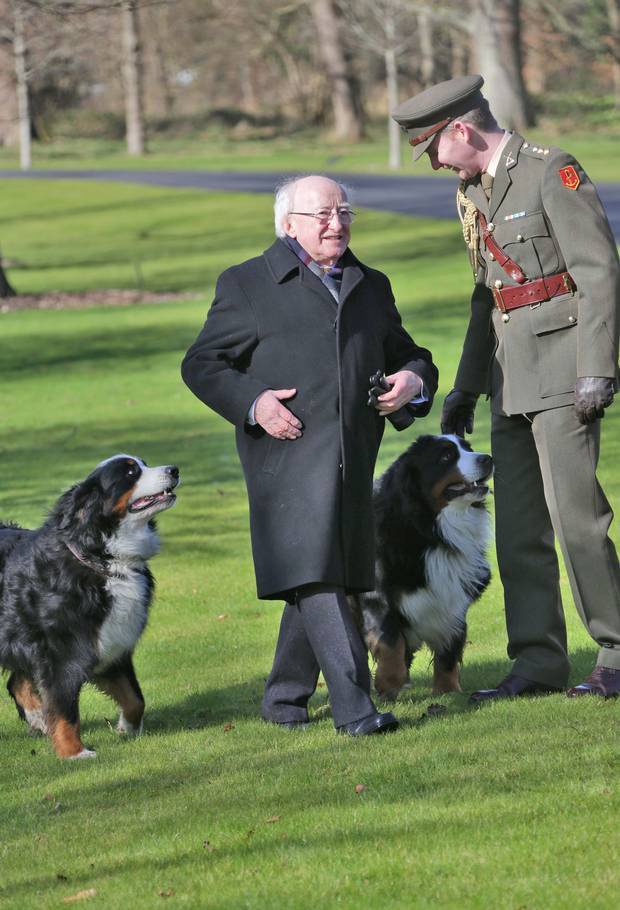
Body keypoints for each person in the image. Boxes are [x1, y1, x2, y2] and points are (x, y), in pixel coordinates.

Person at [181, 175, 438, 734]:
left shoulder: (371, 284)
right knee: (321, 579)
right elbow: (202, 364)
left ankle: (283, 702)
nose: (336, 223)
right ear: (288, 224)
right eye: (321, 214)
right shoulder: (248, 283)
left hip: (353, 457)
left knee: (322, 572)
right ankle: (355, 711)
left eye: (344, 212)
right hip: (284, 457)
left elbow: (411, 354)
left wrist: (413, 382)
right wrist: (253, 403)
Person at [392, 75, 620, 701]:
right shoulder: (474, 193)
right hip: (507, 378)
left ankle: (617, 651)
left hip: (565, 372)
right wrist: (466, 386)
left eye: (433, 148)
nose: (435, 163)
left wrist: (598, 366)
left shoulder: (551, 171)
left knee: (577, 521)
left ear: (460, 130)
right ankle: (538, 663)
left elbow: (600, 272)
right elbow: (487, 297)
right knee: (519, 532)